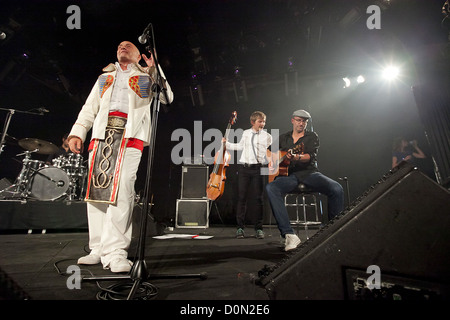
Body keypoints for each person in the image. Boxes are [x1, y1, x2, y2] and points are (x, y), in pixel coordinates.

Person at [67, 41, 173, 273]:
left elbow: (167, 98)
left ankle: (116, 252)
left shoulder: (146, 77)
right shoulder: (104, 77)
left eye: (128, 45)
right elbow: (89, 107)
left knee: (123, 189)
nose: (122, 47)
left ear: (138, 55)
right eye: (119, 46)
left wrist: (155, 69)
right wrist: (78, 132)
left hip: (130, 136)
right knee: (97, 192)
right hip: (101, 135)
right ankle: (97, 248)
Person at [266, 109, 344, 251]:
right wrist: (274, 162)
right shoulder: (284, 138)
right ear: (292, 120)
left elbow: (310, 156)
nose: (301, 123)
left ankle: (333, 231)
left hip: (309, 174)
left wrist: (297, 157)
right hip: (289, 176)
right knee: (271, 187)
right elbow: (268, 152)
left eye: (304, 121)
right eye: (298, 120)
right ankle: (289, 235)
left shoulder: (311, 136)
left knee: (336, 188)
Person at [224, 111, 272, 239]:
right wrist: (226, 144)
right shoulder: (245, 133)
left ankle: (259, 229)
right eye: (260, 121)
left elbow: (266, 151)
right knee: (241, 198)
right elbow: (240, 146)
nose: (262, 124)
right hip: (245, 168)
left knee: (259, 199)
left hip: (260, 169)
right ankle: (240, 228)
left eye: (263, 121)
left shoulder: (267, 136)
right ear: (253, 122)